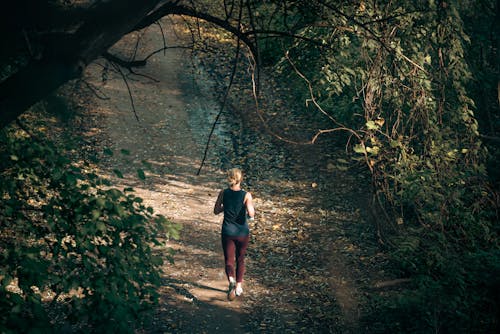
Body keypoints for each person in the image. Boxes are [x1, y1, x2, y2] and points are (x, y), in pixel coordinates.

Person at [213, 168, 255, 301]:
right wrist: (247, 212)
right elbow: (251, 213)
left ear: (229, 179)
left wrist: (227, 206)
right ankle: (238, 286)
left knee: (229, 260)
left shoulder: (223, 193)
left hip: (227, 232)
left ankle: (231, 280)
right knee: (240, 259)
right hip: (242, 232)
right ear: (240, 179)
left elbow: (216, 210)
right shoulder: (246, 195)